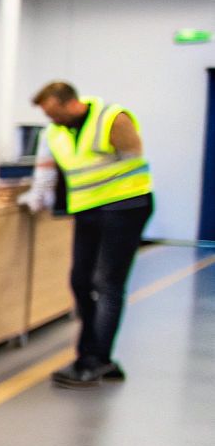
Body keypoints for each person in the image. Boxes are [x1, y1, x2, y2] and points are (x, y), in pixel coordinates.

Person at [21, 81, 153, 388]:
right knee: (80, 280)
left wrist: (107, 190)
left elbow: (134, 159)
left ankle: (93, 359)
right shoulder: (54, 133)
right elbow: (45, 171)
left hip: (125, 207)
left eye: (54, 112)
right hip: (89, 210)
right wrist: (34, 199)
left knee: (107, 283)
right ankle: (99, 358)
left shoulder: (112, 119)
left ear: (70, 103)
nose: (51, 120)